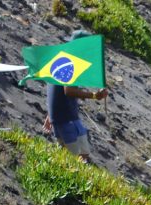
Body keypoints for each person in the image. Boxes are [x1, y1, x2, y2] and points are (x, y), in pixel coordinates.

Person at [42, 30, 108, 163]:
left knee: (81, 152)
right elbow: (68, 91)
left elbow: (56, 91)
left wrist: (50, 115)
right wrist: (95, 95)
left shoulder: (60, 60)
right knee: (76, 157)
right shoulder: (72, 63)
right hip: (66, 118)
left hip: (64, 116)